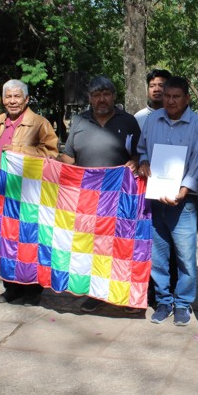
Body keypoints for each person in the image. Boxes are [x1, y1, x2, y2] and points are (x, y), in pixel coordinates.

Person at [59, 76, 141, 312]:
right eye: (96, 95)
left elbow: (139, 154)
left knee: (121, 247)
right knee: (92, 247)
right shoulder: (79, 121)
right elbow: (69, 158)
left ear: (114, 96)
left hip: (120, 197)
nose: (101, 99)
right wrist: (50, 165)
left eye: (106, 94)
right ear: (90, 99)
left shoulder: (128, 121)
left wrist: (135, 162)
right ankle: (96, 294)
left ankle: (124, 295)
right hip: (87, 198)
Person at [137, 76, 198, 326]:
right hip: (156, 198)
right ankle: (163, 300)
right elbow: (142, 149)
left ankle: (183, 303)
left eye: (176, 96)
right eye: (167, 96)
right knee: (158, 255)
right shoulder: (152, 120)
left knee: (185, 257)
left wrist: (183, 189)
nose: (170, 101)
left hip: (184, 202)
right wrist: (144, 161)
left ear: (187, 98)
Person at [0, 79, 59, 306]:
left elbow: (51, 154)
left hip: (27, 196)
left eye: (17, 96)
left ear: (26, 99)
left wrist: (20, 150)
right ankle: (11, 287)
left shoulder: (39, 123)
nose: (12, 101)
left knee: (29, 242)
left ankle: (32, 290)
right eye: (8, 96)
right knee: (5, 243)